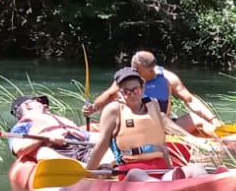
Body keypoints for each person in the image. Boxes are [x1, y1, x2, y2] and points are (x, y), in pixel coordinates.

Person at [84, 68, 218, 179]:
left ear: (142, 88)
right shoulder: (113, 110)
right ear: (120, 93)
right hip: (131, 170)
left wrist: (170, 167)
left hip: (160, 167)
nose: (131, 95)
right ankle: (161, 187)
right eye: (126, 92)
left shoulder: (153, 104)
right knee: (138, 174)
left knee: (197, 169)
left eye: (135, 90)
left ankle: (207, 187)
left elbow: (161, 142)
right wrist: (88, 172)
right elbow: (102, 145)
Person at [89, 50, 223, 136]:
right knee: (91, 128)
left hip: (165, 126)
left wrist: (213, 119)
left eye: (136, 69)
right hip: (135, 126)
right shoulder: (128, 79)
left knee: (196, 119)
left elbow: (190, 100)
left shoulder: (168, 78)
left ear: (150, 69)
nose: (133, 71)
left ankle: (224, 140)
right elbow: (109, 95)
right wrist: (93, 107)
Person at [6, 95, 96, 162]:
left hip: (84, 147)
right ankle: (87, 169)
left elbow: (90, 137)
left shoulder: (61, 121)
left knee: (99, 140)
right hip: (57, 151)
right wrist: (46, 136)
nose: (45, 105)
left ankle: (98, 167)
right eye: (40, 101)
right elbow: (18, 149)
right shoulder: (21, 126)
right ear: (28, 105)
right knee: (43, 153)